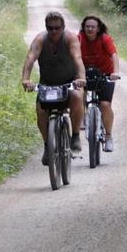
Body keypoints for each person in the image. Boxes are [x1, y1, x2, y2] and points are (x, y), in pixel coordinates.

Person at [22, 11, 87, 164]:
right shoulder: (40, 39)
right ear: (46, 28)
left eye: (57, 28)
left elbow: (77, 58)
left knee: (77, 97)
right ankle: (47, 146)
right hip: (48, 82)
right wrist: (25, 79)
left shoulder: (70, 38)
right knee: (40, 110)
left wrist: (81, 78)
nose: (54, 31)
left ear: (63, 27)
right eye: (50, 28)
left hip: (70, 80)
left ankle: (76, 136)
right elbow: (30, 57)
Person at [77, 15, 120, 152]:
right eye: (87, 26)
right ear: (84, 28)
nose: (90, 29)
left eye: (93, 27)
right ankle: (82, 117)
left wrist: (116, 72)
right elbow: (73, 55)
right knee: (79, 93)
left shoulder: (105, 39)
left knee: (105, 104)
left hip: (105, 74)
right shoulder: (79, 38)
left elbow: (114, 55)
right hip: (84, 73)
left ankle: (108, 136)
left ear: (98, 28)